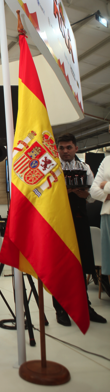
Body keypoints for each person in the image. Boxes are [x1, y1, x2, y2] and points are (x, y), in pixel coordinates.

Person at [54, 133, 106, 325]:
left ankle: (85, 306)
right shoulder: (53, 167)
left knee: (83, 262)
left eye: (69, 147)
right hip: (59, 220)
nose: (65, 151)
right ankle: (60, 308)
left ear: (76, 148)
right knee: (61, 265)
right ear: (57, 149)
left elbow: (93, 195)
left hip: (80, 218)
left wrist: (84, 193)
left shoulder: (85, 167)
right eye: (62, 148)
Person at [89, 155, 110, 297]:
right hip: (107, 214)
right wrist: (104, 191)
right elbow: (93, 191)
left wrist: (106, 185)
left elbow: (101, 187)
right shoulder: (107, 160)